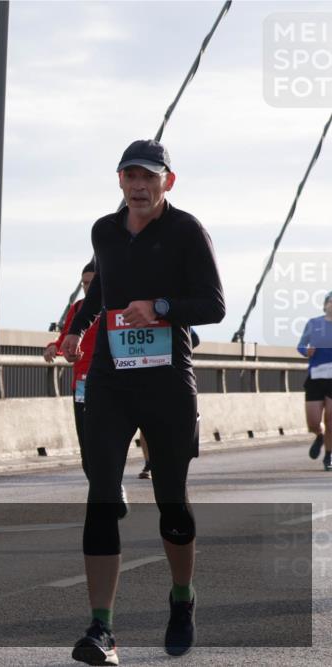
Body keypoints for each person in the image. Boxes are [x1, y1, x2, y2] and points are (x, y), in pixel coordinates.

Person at [61, 140, 225, 664]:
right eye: (130, 175)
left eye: (149, 177)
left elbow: (214, 306)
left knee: (171, 500)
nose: (139, 185)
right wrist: (77, 330)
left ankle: (181, 599)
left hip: (167, 381)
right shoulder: (104, 231)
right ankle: (101, 629)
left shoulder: (187, 231)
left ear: (167, 183)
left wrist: (158, 308)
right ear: (119, 180)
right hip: (111, 381)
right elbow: (100, 291)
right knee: (102, 494)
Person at [45, 262, 128, 518]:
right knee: (87, 450)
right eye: (84, 284)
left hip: (114, 383)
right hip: (82, 384)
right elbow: (66, 339)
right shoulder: (79, 309)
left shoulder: (119, 308)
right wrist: (54, 348)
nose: (88, 288)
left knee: (108, 445)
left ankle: (110, 493)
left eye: (93, 283)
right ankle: (108, 491)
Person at [137, 329, 200, 481]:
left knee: (170, 426)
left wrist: (179, 351)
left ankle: (170, 464)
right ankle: (149, 463)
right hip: (143, 375)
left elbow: (195, 338)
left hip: (172, 377)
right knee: (145, 424)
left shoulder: (166, 312)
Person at [297, 290, 332, 471]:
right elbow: (301, 345)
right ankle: (319, 435)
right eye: (331, 301)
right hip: (316, 376)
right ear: (325, 304)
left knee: (331, 419)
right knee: (313, 422)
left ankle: (328, 456)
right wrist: (306, 351)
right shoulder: (314, 323)